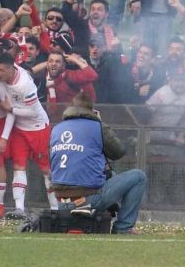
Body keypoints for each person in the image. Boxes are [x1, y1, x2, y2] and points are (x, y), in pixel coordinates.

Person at [50, 92, 146, 234]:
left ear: (71, 108)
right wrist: (101, 124)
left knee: (110, 174)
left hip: (60, 201)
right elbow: (118, 152)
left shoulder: (56, 129)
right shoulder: (97, 126)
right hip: (88, 198)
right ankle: (123, 228)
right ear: (91, 110)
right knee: (138, 176)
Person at [0, 50, 53, 219]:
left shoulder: (25, 84)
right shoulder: (1, 79)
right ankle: (19, 209)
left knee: (46, 169)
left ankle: (55, 208)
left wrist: (11, 109)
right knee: (19, 166)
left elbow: (33, 112)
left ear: (11, 69)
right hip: (19, 129)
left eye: (1, 70)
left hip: (38, 127)